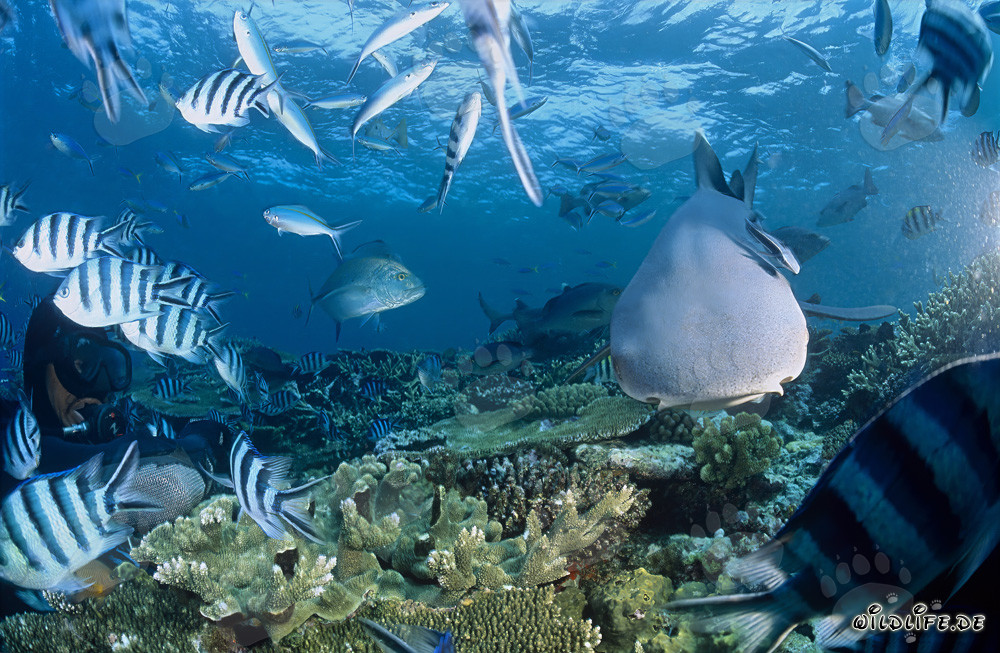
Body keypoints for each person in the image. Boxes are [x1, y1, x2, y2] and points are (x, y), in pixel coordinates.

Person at [0, 296, 227, 613]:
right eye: (80, 364)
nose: (95, 387)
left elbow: (203, 435)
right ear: (38, 368)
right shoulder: (6, 440)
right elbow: (171, 478)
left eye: (111, 367)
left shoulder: (114, 433)